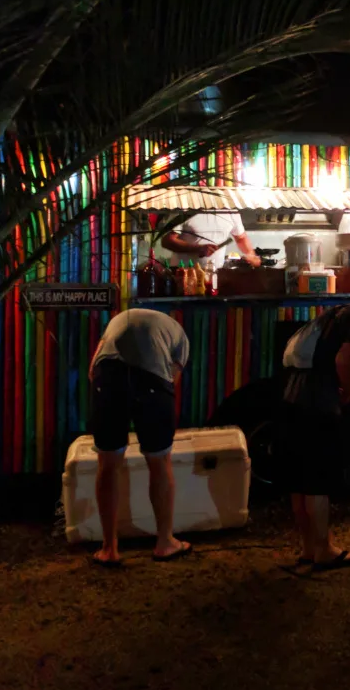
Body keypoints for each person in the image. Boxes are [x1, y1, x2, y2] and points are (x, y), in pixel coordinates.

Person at [285, 272, 350, 571]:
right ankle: (325, 551)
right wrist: (349, 390)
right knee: (318, 478)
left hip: (293, 396)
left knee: (300, 478)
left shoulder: (336, 312)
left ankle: (308, 548)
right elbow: (344, 359)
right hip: (319, 402)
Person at [88, 308, 192, 565]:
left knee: (108, 464)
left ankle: (109, 548)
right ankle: (165, 542)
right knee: (159, 462)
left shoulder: (115, 321)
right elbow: (171, 381)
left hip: (107, 376)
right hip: (152, 381)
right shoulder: (180, 337)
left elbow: (93, 370)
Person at [163, 210, 260, 272]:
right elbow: (167, 241)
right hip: (184, 273)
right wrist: (198, 249)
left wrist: (250, 254)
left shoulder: (231, 212)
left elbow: (241, 238)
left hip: (214, 273)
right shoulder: (185, 210)